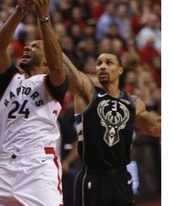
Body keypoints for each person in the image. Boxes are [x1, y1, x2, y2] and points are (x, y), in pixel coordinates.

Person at [0, 0, 69, 205]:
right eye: (28, 45)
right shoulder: (11, 80)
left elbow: (58, 65)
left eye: (35, 46)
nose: (28, 47)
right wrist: (20, 10)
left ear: (47, 59)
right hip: (6, 166)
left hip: (37, 167)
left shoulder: (52, 81)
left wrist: (43, 17)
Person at [62, 52, 161, 206]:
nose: (102, 66)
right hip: (92, 177)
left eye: (109, 63)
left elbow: (155, 129)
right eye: (99, 63)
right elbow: (63, 65)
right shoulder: (87, 94)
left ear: (120, 70)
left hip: (121, 178)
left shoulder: (132, 103)